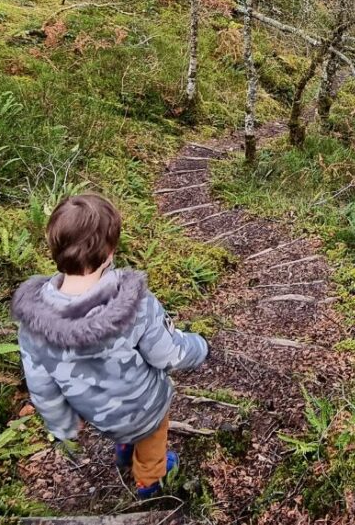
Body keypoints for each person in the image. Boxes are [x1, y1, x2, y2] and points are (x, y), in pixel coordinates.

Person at [11, 193, 208, 498]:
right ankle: (150, 483)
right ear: (110, 250)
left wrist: (63, 426)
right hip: (146, 409)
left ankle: (124, 451)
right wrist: (199, 347)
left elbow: (40, 384)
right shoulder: (135, 305)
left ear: (54, 249)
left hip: (100, 416)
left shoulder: (34, 322)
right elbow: (167, 355)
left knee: (126, 429)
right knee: (153, 441)